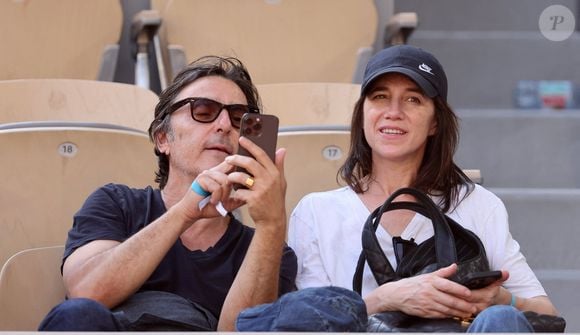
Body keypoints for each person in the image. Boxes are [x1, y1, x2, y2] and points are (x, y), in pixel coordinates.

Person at [287, 45, 559, 332]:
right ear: (363, 113)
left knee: (501, 318)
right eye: (380, 97)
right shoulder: (316, 211)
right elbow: (305, 326)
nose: (393, 112)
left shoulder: (479, 204)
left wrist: (503, 298)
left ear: (435, 122)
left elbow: (548, 314)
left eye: (413, 100)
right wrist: (387, 299)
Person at [38, 56, 297, 331]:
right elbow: (86, 291)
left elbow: (242, 332)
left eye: (238, 119)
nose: (224, 125)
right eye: (204, 110)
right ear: (163, 139)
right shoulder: (116, 203)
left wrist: (271, 225)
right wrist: (184, 213)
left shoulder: (268, 249)